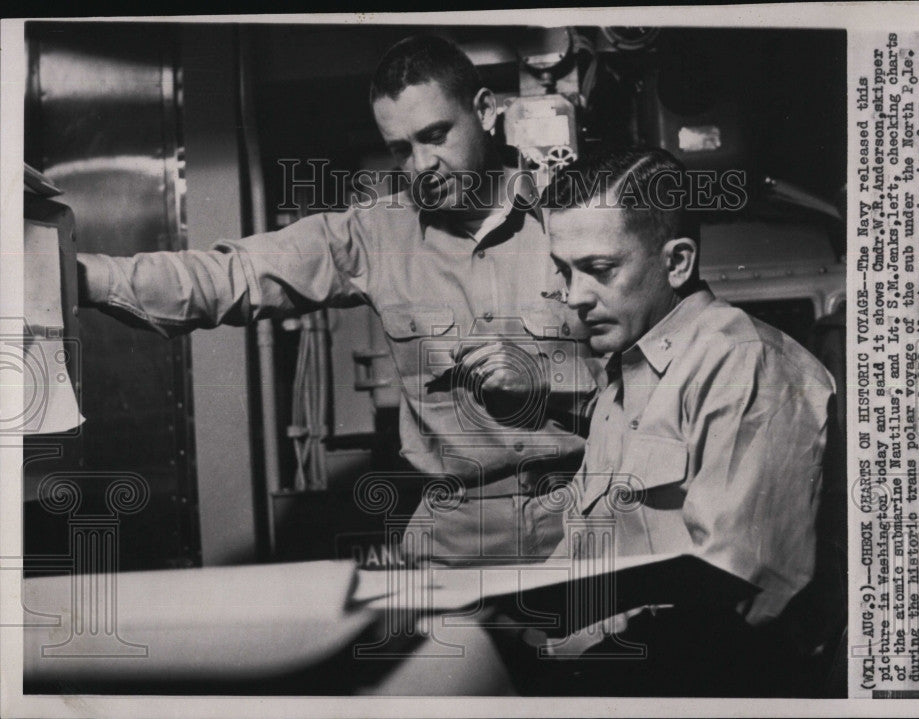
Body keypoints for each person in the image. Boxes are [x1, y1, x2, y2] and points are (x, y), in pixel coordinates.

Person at [75, 35, 595, 565]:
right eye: (400, 148)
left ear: (485, 111)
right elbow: (232, 274)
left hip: (586, 516)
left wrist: (548, 380)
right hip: (456, 540)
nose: (420, 165)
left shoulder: (577, 220)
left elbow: (659, 375)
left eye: (435, 135)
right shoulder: (374, 235)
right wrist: (82, 277)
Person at [528, 147, 837, 695]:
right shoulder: (625, 376)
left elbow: (742, 591)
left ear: (677, 262)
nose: (574, 297)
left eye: (599, 270)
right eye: (563, 272)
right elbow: (583, 552)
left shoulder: (744, 363)